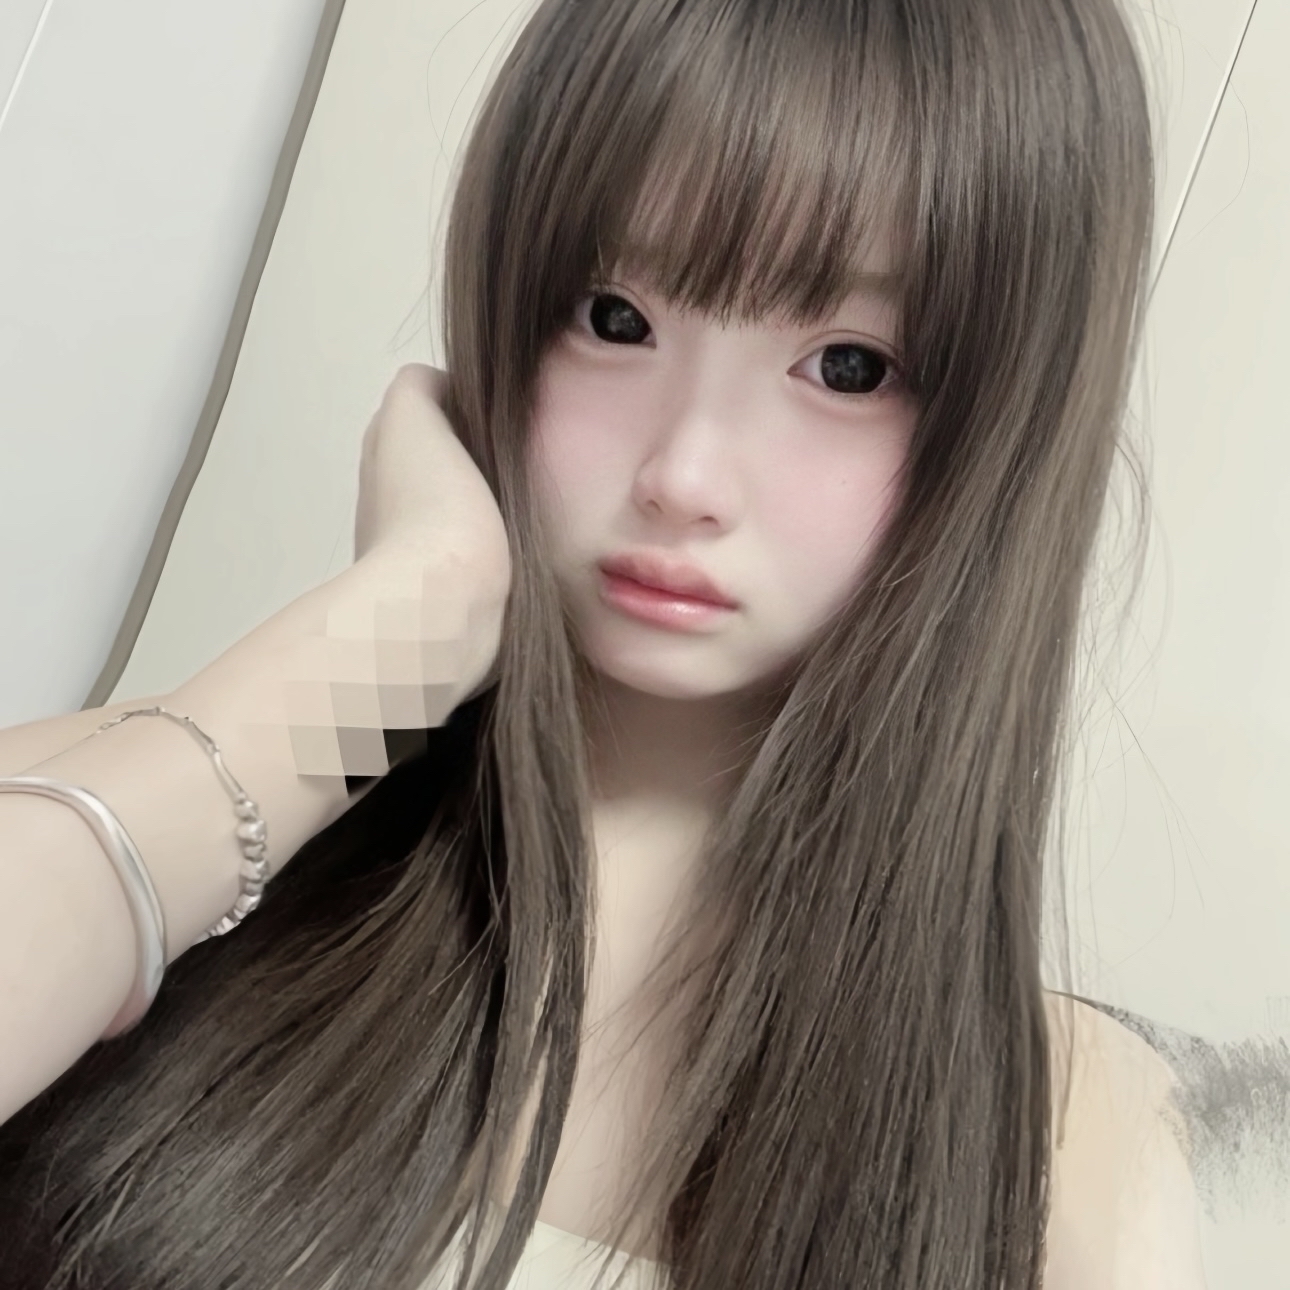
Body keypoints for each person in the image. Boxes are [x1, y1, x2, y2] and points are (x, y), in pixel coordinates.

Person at [0, 0, 1209, 1286]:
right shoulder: (153, 810)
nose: (684, 473)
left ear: (1004, 426)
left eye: (849, 367)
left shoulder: (1065, 1144)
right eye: (615, 319)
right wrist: (383, 652)